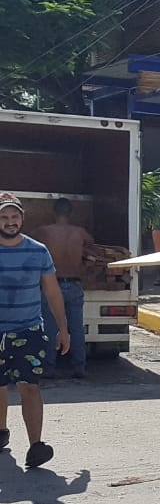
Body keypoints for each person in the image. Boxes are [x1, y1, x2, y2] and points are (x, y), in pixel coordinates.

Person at [0, 193, 70, 469]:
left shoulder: (38, 250)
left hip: (27, 330)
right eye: (4, 217)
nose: (9, 222)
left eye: (14, 216)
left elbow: (52, 292)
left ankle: (36, 446)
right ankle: (1, 431)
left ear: (22, 219)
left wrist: (63, 329)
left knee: (29, 386)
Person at [29, 197, 91, 379]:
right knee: (76, 328)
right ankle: (79, 366)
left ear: (54, 213)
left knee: (49, 327)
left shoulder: (43, 232)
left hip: (51, 285)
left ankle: (49, 367)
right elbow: (92, 244)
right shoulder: (80, 232)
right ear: (70, 214)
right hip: (74, 284)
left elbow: (24, 240)